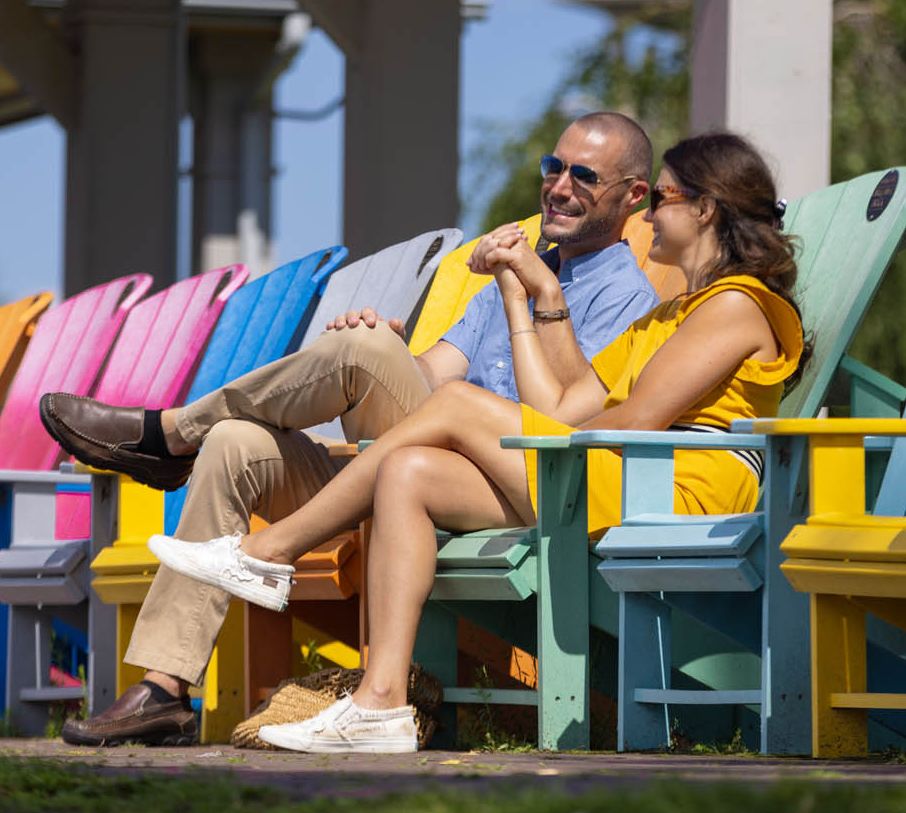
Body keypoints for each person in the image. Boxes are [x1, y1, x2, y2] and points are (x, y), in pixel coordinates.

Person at [146, 131, 808, 754]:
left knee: (458, 403)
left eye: (662, 198)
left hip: (675, 485)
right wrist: (522, 294)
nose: (651, 218)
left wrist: (510, 424)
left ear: (706, 207)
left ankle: (270, 548)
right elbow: (563, 404)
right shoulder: (672, 312)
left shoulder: (736, 305)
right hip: (615, 469)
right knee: (408, 469)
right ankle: (380, 702)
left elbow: (634, 419)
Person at [42, 111, 659, 746]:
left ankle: (171, 435)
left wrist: (523, 290)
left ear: (633, 196)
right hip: (402, 458)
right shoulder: (511, 275)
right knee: (238, 445)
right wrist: (383, 347)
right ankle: (165, 690)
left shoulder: (626, 298)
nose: (558, 187)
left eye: (583, 175)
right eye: (552, 168)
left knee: (353, 361)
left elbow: (559, 419)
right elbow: (430, 376)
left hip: (498, 484)